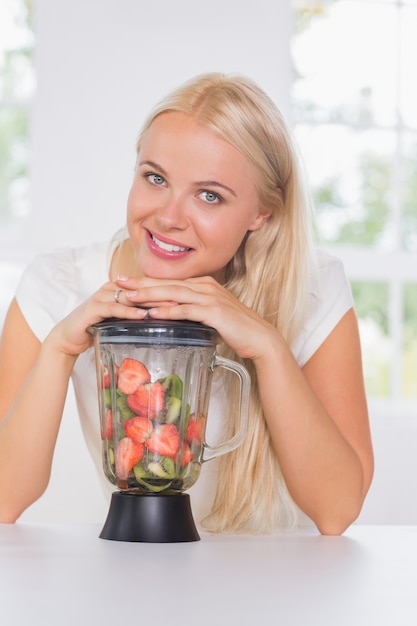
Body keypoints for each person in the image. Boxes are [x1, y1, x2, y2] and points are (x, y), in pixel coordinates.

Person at [0, 72, 373, 534]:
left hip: (283, 588)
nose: (169, 217)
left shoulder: (313, 289)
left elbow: (337, 510)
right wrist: (59, 348)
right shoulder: (57, 286)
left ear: (262, 213)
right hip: (143, 583)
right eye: (155, 178)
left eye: (209, 195)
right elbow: (4, 500)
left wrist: (267, 346)